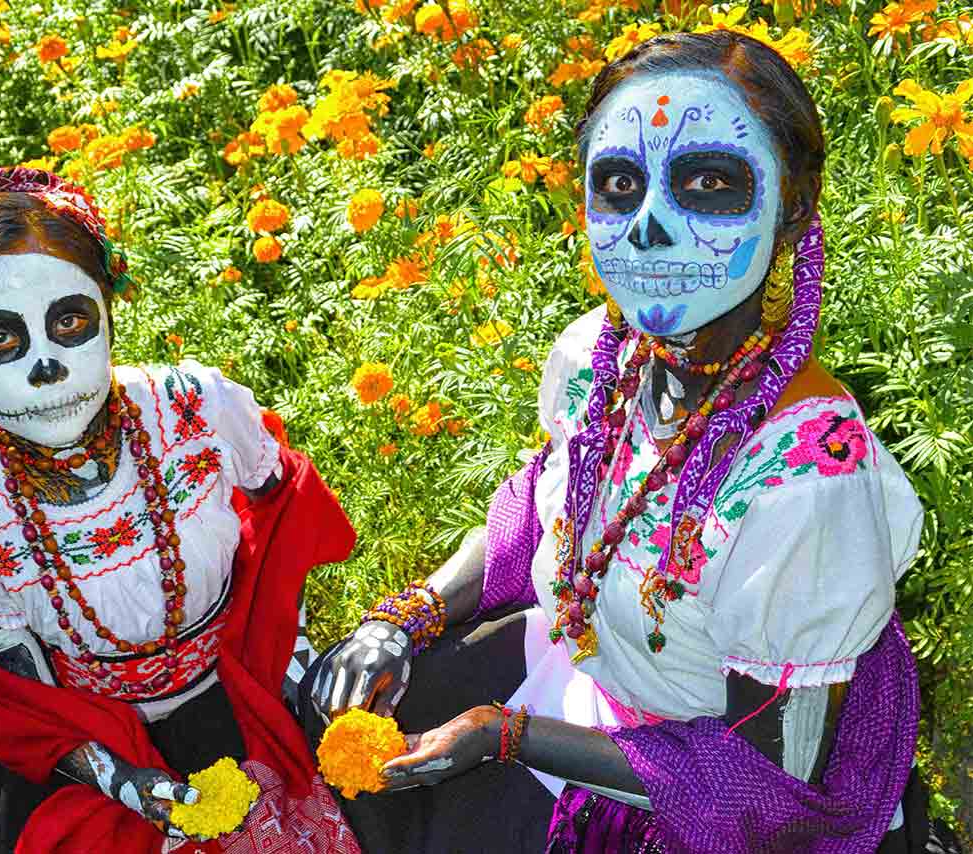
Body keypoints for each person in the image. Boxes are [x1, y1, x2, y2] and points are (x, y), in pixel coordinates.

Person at [303, 31, 936, 854]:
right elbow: (542, 507)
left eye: (709, 183)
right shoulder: (597, 357)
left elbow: (769, 783)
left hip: (696, 796)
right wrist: (402, 619)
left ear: (792, 210)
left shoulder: (807, 481)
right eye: (620, 185)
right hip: (579, 689)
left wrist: (509, 736)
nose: (647, 230)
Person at [0, 166, 360, 854]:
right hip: (94, 744)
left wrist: (284, 663)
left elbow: (281, 524)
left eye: (70, 321)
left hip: (237, 686)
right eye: (0, 338)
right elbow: (24, 710)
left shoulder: (197, 409)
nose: (46, 368)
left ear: (109, 317)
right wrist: (123, 783)